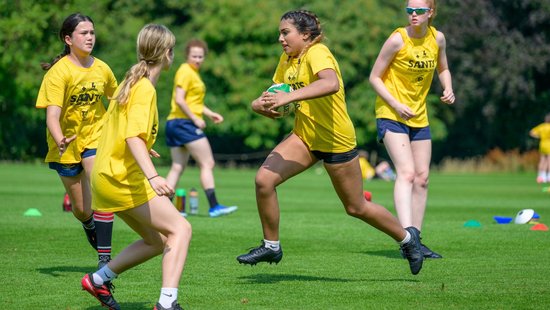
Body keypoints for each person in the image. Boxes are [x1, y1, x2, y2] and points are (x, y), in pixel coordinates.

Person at [236, 10, 424, 276]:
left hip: (336, 140)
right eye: (280, 33)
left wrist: (289, 99)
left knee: (356, 207)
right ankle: (271, 245)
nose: (280, 38)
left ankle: (407, 239)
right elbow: (273, 93)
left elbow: (331, 83)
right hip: (304, 136)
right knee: (263, 181)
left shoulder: (318, 53)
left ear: (305, 35)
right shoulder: (287, 59)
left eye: (285, 32)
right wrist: (260, 104)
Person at [81, 24, 191, 310]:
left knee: (156, 241)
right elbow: (131, 136)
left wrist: (143, 147)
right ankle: (167, 303)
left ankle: (99, 279)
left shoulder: (131, 82)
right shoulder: (144, 88)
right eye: (173, 50)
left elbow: (116, 130)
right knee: (181, 228)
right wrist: (153, 176)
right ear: (167, 53)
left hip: (106, 179)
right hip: (121, 179)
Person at [369, 0, 455, 259]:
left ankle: (417, 238)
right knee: (405, 174)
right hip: (391, 114)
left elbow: (443, 67)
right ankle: (407, 239)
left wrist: (448, 87)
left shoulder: (437, 38)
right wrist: (396, 104)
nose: (413, 15)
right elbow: (374, 77)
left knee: (423, 177)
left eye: (419, 11)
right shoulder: (397, 39)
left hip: (419, 116)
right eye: (409, 11)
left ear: (431, 13)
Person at [36, 13, 117, 268]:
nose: (90, 37)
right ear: (68, 39)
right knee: (82, 209)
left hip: (96, 136)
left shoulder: (102, 68)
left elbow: (117, 102)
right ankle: (89, 224)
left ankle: (104, 260)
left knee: (100, 187)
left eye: (92, 32)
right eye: (84, 33)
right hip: (66, 144)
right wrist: (60, 139)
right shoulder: (59, 73)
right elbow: (52, 116)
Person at [165, 39, 238, 218]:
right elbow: (180, 99)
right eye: (194, 56)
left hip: (175, 123)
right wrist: (196, 119)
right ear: (187, 56)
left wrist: (209, 113)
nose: (198, 59)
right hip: (184, 123)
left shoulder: (194, 73)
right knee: (208, 163)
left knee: (177, 167)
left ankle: (164, 207)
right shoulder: (185, 71)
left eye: (200, 56)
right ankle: (214, 206)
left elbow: (193, 102)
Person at [529, 113, 550, 183]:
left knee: (542, 160)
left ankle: (540, 176)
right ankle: (548, 176)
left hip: (542, 144)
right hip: (548, 144)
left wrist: (539, 137)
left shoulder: (542, 126)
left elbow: (531, 132)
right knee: (548, 161)